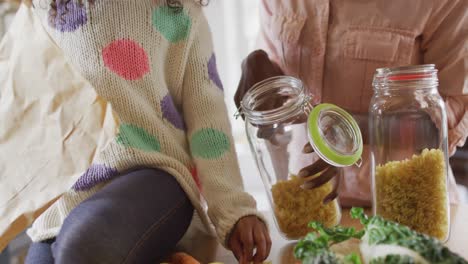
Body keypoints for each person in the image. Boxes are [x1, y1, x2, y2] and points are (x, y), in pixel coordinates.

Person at [23, 0, 270, 263]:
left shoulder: (178, 10)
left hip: (155, 173)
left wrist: (235, 209)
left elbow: (208, 119)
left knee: (81, 248)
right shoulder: (40, 10)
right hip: (69, 190)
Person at [235, 0, 468, 206]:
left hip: (405, 204)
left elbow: (444, 125)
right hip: (308, 203)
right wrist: (256, 64)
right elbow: (281, 83)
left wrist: (346, 132)